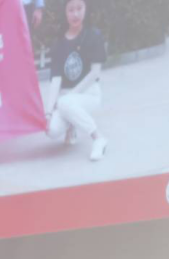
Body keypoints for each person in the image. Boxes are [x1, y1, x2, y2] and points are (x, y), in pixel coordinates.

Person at [45, 0, 108, 161]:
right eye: (71, 10)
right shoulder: (59, 43)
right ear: (65, 12)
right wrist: (48, 112)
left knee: (65, 102)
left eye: (79, 8)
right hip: (66, 98)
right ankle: (71, 125)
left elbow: (95, 73)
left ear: (86, 8)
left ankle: (98, 138)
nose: (75, 14)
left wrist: (69, 96)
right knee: (50, 129)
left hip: (89, 94)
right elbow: (55, 80)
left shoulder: (93, 35)